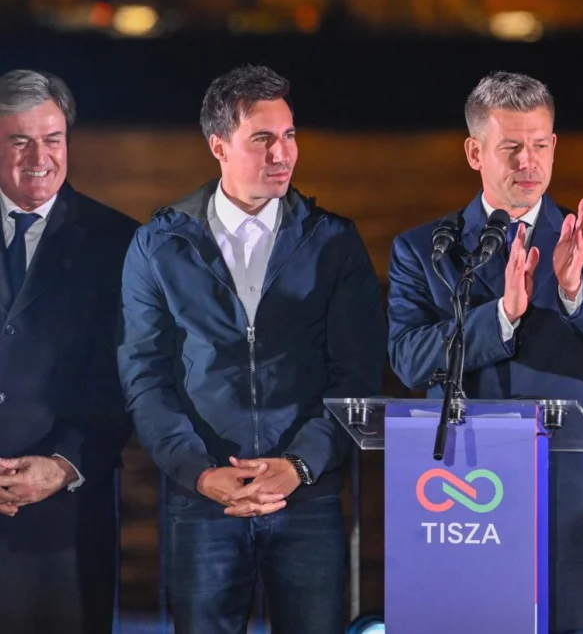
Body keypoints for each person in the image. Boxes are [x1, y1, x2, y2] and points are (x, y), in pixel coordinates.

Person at [117, 65, 386, 634]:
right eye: (262, 138)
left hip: (307, 497)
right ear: (219, 145)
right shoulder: (159, 245)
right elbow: (144, 375)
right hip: (204, 500)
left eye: (288, 135)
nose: (282, 153)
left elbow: (358, 371)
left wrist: (301, 464)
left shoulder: (333, 242)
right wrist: (199, 472)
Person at [387, 70, 583, 634]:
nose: (527, 161)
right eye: (511, 147)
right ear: (474, 152)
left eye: (539, 145)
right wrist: (502, 316)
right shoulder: (423, 249)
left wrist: (576, 292)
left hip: (566, 496)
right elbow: (409, 360)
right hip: (461, 498)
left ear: (554, 145)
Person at [0, 69, 137, 634]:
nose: (40, 157)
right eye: (19, 141)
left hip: (65, 522)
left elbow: (132, 378)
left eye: (52, 139)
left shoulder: (123, 244)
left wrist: (63, 465)